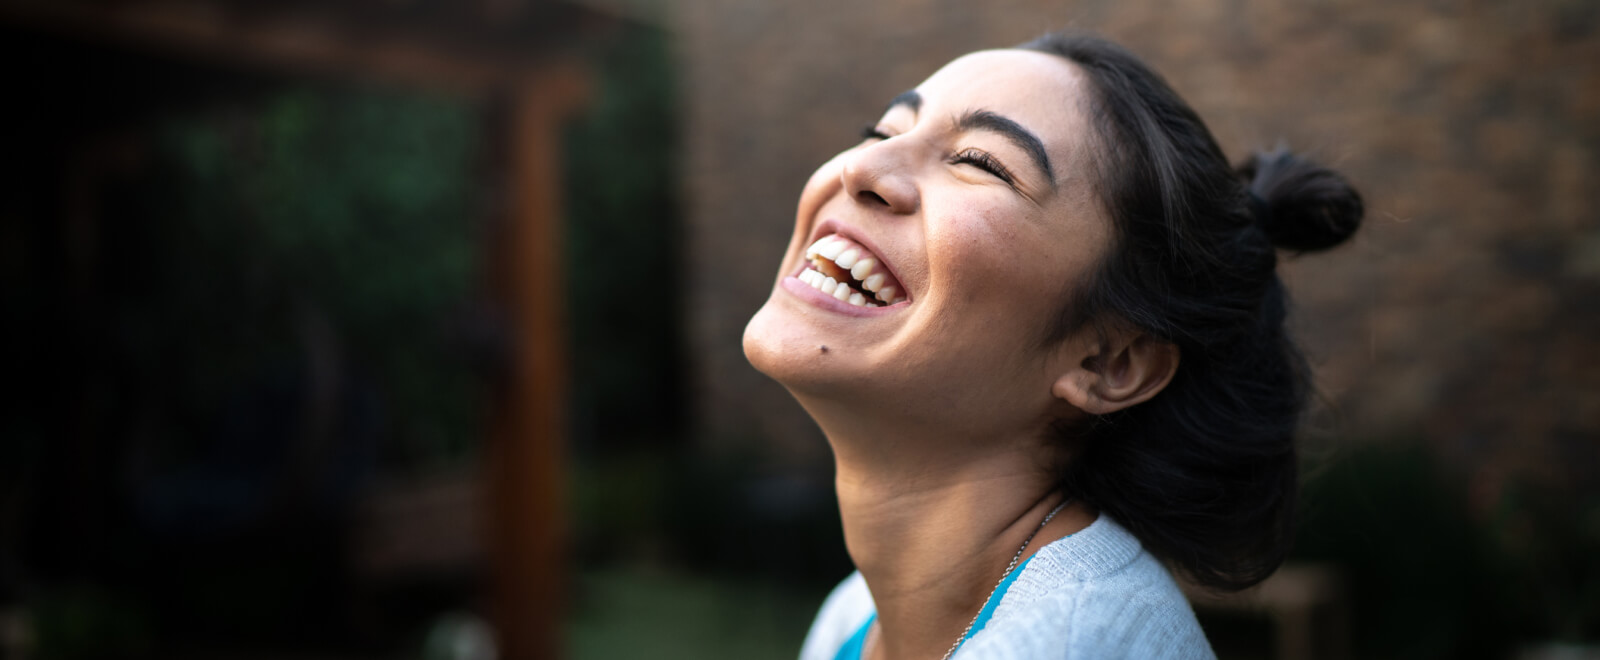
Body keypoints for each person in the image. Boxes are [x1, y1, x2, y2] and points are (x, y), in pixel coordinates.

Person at [742, 31, 1363, 660]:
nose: (859, 167)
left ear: (1109, 361)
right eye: (881, 133)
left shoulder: (1074, 644)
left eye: (979, 161)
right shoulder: (854, 616)